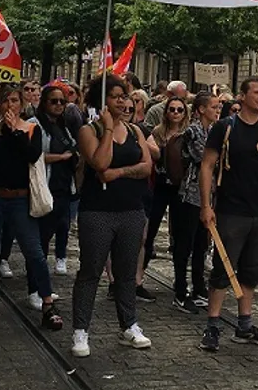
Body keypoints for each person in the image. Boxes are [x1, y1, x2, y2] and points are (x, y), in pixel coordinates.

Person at [197, 75, 258, 353]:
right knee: (223, 268)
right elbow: (207, 166)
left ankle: (244, 324)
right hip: (231, 211)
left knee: (251, 270)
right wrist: (205, 205)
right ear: (243, 96)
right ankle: (213, 325)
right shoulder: (225, 128)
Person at [70, 76, 152, 357]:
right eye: (114, 96)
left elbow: (146, 167)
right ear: (101, 101)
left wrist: (119, 173)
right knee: (91, 271)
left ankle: (129, 325)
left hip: (131, 209)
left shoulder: (135, 131)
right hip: (97, 210)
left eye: (123, 95)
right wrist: (106, 130)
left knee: (126, 272)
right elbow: (100, 162)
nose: (121, 101)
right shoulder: (88, 130)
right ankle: (81, 330)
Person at [0, 84, 62, 331]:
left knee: (34, 252)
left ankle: (47, 302)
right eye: (6, 101)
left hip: (21, 199)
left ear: (21, 104)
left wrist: (16, 133)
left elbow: (32, 156)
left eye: (14, 101)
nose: (10, 106)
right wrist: (8, 133)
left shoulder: (31, 129)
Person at [27, 84, 78, 304]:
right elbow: (31, 157)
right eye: (53, 101)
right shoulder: (34, 125)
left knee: (51, 236)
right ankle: (34, 289)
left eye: (62, 102)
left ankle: (42, 286)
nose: (58, 105)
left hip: (63, 189)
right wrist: (60, 158)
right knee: (39, 241)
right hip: (43, 189)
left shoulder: (65, 127)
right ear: (44, 103)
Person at [172, 91, 217, 313]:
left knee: (201, 243)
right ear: (201, 109)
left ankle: (199, 287)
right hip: (189, 193)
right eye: (213, 107)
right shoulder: (193, 131)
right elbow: (204, 157)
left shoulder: (214, 131)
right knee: (185, 243)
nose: (217, 111)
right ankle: (180, 290)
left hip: (208, 195)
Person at [144, 96, 188, 268]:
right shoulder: (157, 132)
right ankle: (141, 269)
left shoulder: (188, 133)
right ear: (166, 112)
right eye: (172, 109)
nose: (175, 113)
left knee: (179, 232)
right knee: (150, 228)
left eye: (179, 110)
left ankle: (180, 277)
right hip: (159, 185)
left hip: (180, 187)